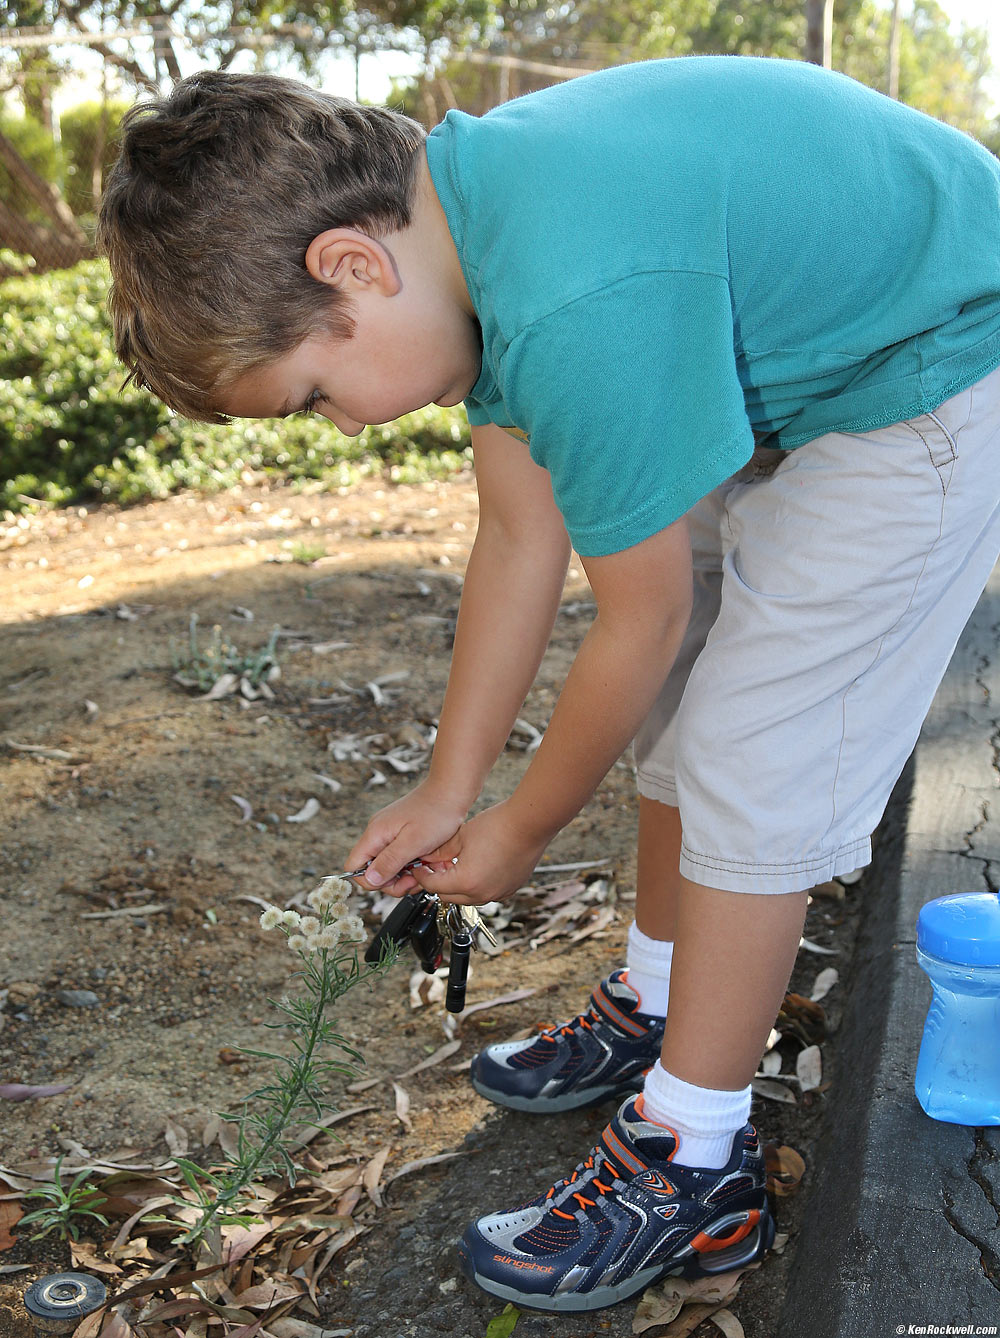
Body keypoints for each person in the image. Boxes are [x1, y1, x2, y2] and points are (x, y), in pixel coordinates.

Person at [98, 55, 1000, 1312]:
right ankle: (667, 989)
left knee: (751, 739)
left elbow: (640, 614)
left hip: (934, 363)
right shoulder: (477, 235)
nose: (347, 425)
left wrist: (520, 828)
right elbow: (520, 543)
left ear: (352, 266)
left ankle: (696, 1162)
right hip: (810, 359)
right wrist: (448, 785)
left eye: (313, 393)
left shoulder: (574, 287)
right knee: (687, 700)